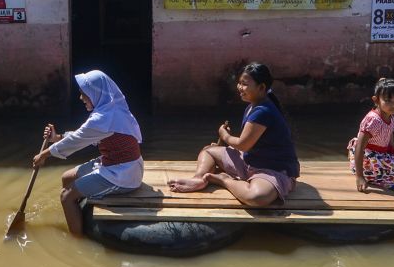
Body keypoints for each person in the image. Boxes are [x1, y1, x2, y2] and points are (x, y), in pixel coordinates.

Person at [168, 62, 298, 207]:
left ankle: (223, 179)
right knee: (208, 151)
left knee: (256, 197)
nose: (239, 87)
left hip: (272, 169)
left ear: (261, 87)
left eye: (244, 84)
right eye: (239, 83)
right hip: (250, 161)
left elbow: (243, 145)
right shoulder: (252, 106)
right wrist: (225, 142)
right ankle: (199, 179)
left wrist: (224, 135)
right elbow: (248, 144)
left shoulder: (263, 111)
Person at [33, 70, 143, 237]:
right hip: (115, 163)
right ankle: (76, 214)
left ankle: (77, 240)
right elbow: (86, 135)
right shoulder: (113, 108)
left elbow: (78, 139)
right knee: (66, 178)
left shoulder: (103, 118)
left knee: (65, 197)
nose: (81, 98)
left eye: (84, 94)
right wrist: (57, 138)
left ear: (96, 93)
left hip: (123, 174)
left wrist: (44, 155)